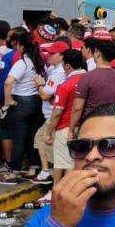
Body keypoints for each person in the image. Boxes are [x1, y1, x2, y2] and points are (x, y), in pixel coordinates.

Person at [0, 31, 46, 185]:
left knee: (19, 139)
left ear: (21, 46)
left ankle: (14, 173)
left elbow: (8, 82)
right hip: (36, 102)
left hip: (21, 103)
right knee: (32, 137)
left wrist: (8, 101)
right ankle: (33, 168)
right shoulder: (38, 62)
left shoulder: (22, 62)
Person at [44, 49, 85, 185]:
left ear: (67, 65)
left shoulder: (65, 85)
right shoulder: (88, 78)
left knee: (64, 164)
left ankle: (57, 193)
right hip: (84, 127)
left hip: (65, 128)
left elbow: (56, 113)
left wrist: (49, 132)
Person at [32, 41, 70, 185]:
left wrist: (40, 84)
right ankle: (46, 172)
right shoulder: (56, 69)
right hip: (51, 114)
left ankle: (51, 179)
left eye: (53, 53)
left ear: (62, 56)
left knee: (51, 148)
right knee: (41, 141)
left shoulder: (59, 73)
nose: (48, 56)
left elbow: (45, 96)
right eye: (48, 52)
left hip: (54, 116)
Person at [69, 40, 115, 135]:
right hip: (111, 125)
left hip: (91, 125)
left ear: (98, 53)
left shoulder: (87, 77)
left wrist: (70, 130)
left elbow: (77, 107)